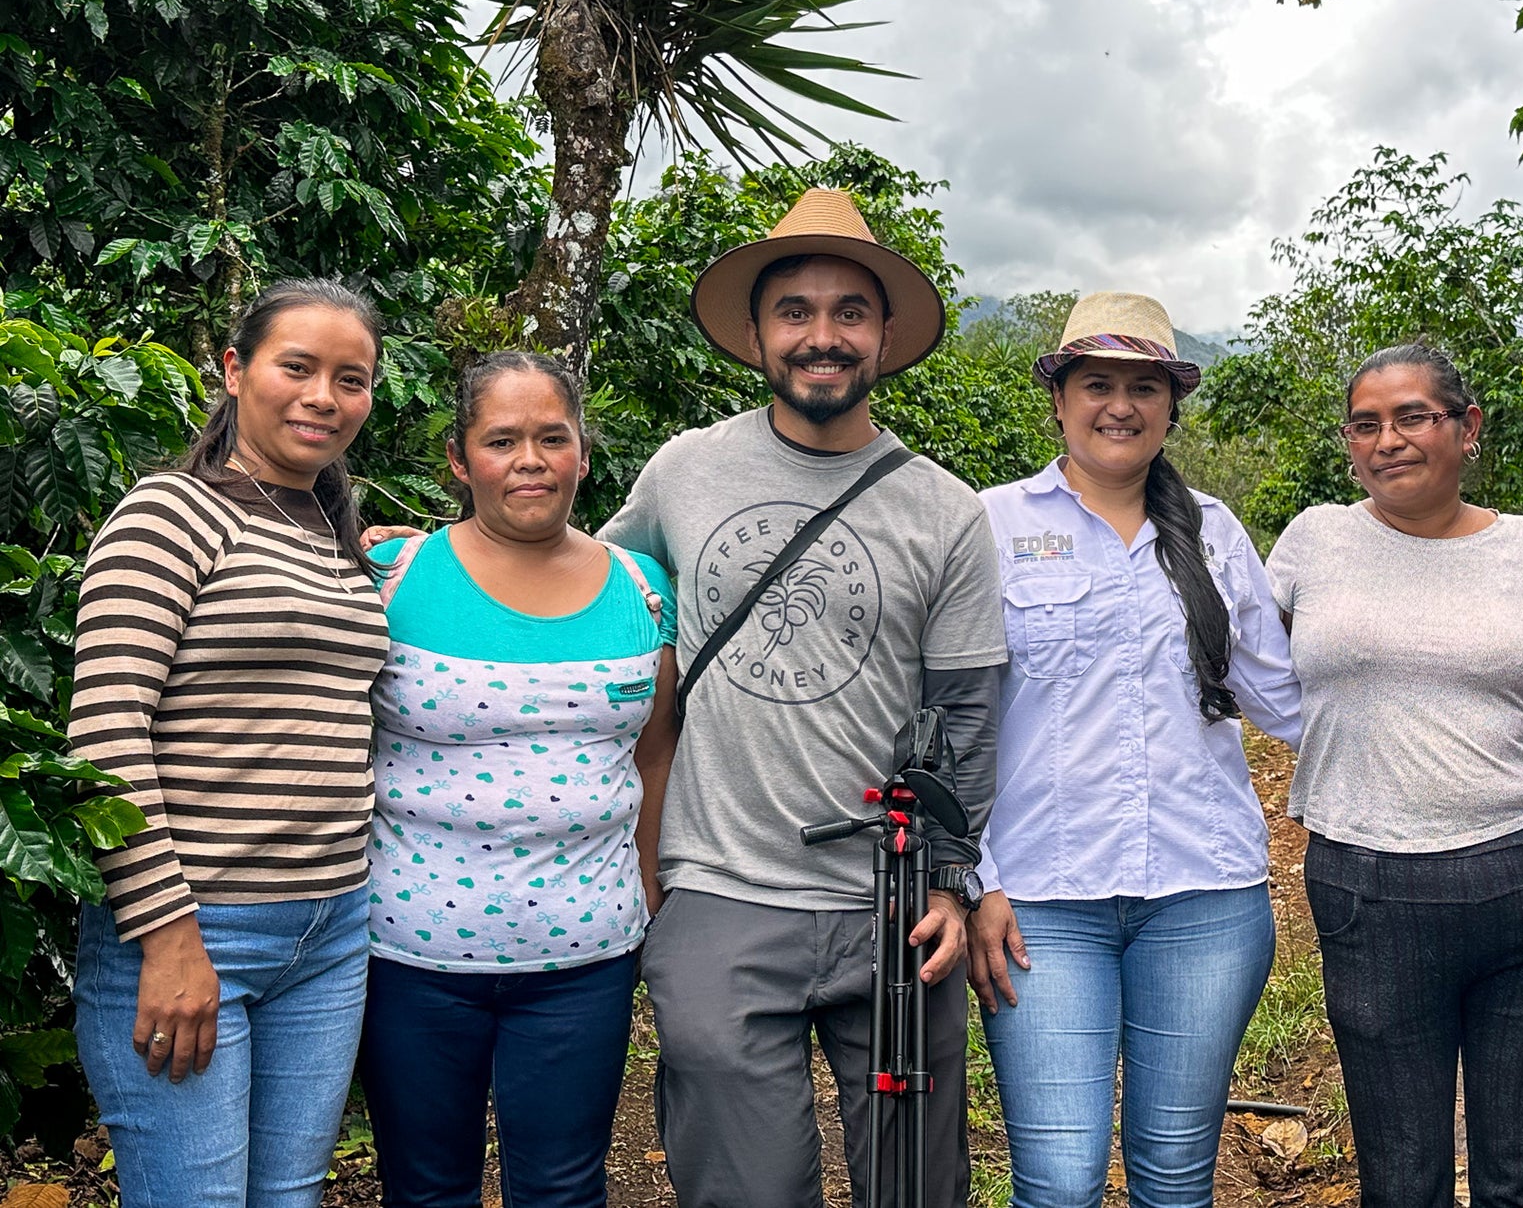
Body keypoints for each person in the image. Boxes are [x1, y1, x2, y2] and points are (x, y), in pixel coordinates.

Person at [597, 186, 1007, 1208]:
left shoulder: (943, 509)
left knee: (914, 1185)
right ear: (755, 331)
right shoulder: (684, 470)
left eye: (848, 313)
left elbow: (965, 713)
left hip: (893, 902)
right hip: (720, 884)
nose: (821, 336)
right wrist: (429, 559)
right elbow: (583, 587)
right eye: (795, 311)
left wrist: (950, 883)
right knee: (745, 1184)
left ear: (881, 335)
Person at [966, 292, 1306, 1208]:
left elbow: (1282, 697)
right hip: (1039, 901)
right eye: (1098, 383)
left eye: (1143, 387)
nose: (1120, 405)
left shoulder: (1214, 530)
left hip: (1204, 897)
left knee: (1174, 1170)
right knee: (1061, 1178)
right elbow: (955, 718)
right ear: (1060, 399)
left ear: (1169, 405)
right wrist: (979, 880)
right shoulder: (990, 527)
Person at [69, 278, 388, 1208]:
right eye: (298, 367)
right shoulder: (169, 513)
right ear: (235, 369)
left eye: (351, 378)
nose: (323, 397)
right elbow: (104, 732)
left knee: (287, 1198)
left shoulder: (336, 541)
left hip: (330, 929)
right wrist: (168, 936)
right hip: (194, 925)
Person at [1262, 343, 1523, 1208]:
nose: (1387, 441)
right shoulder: (1314, 540)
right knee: (1401, 1177)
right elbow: (1236, 668)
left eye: (1413, 417)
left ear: (1467, 427)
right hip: (1369, 884)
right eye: (1365, 425)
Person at [358, 351, 678, 1208]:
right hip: (409, 958)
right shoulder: (392, 576)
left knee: (565, 1189)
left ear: (583, 451)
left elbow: (653, 754)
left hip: (586, 960)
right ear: (461, 461)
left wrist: (646, 889)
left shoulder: (643, 592)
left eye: (552, 437)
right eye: (501, 440)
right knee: (426, 1190)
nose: (529, 460)